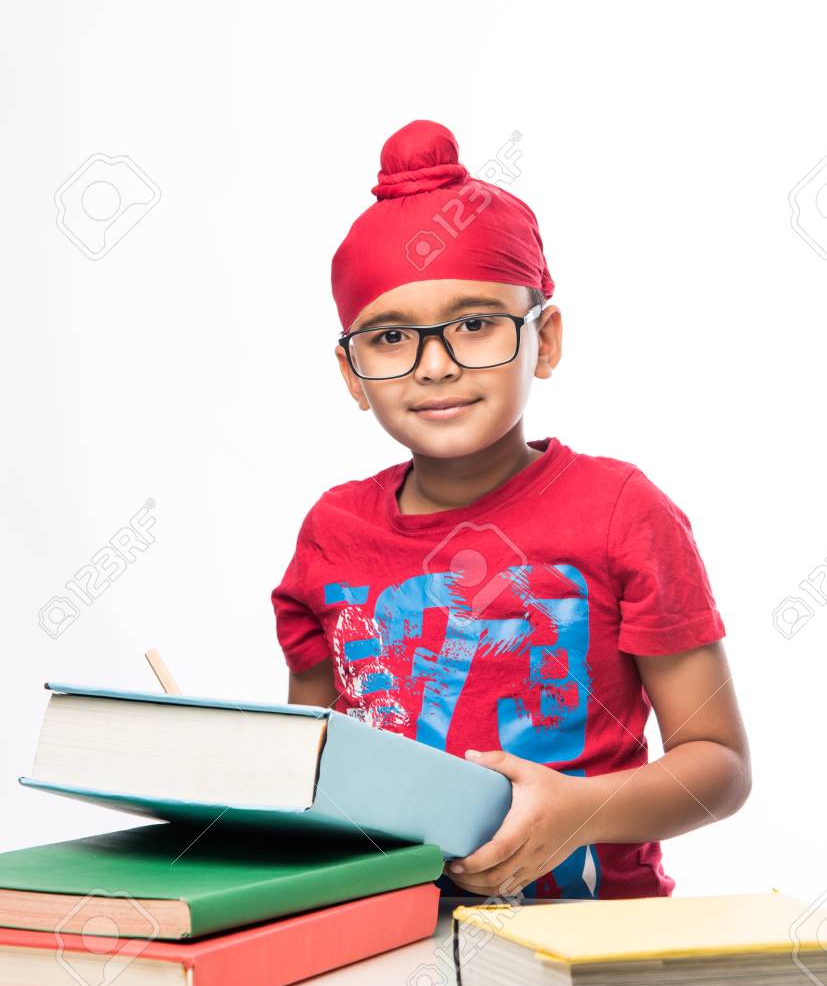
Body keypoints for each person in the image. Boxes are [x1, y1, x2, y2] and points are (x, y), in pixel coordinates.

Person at [271, 119, 751, 901]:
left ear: (546, 339)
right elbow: (309, 763)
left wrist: (582, 810)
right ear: (352, 372)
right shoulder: (333, 533)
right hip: (376, 937)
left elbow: (719, 765)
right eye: (391, 337)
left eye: (473, 324)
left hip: (589, 945)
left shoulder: (622, 511)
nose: (435, 365)